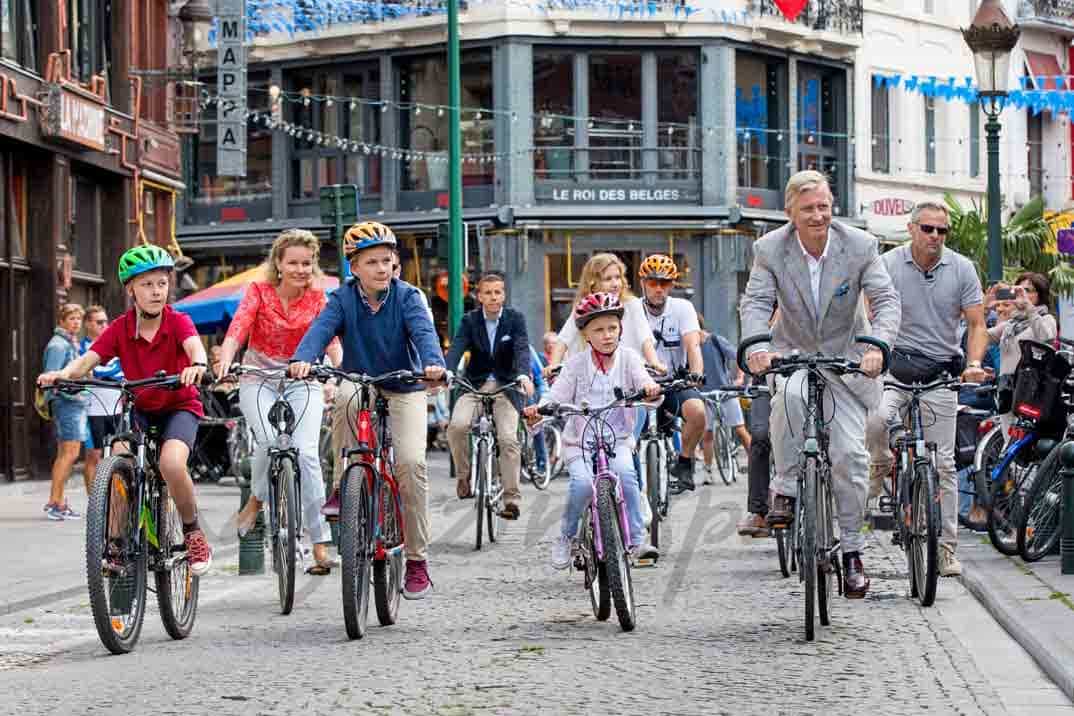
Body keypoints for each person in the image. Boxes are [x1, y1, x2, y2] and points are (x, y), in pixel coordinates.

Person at [740, 170, 900, 599]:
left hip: (847, 362)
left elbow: (885, 301)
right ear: (790, 211)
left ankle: (851, 552)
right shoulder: (770, 248)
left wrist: (877, 347)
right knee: (787, 400)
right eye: (809, 208)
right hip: (791, 354)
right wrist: (757, 345)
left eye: (824, 206)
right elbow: (756, 302)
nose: (818, 216)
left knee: (850, 456)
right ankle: (787, 489)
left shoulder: (861, 245)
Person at [290, 221, 446, 600]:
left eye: (387, 261)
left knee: (410, 464)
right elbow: (319, 331)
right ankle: (346, 483)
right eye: (371, 261)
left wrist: (433, 365)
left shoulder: (408, 297)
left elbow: (424, 333)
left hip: (405, 385)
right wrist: (302, 359)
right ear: (353, 268)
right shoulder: (342, 299)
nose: (381, 268)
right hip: (360, 380)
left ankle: (416, 559)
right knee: (343, 397)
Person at [38, 245, 213, 575]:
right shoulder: (120, 328)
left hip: (179, 407)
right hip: (141, 410)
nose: (156, 291)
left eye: (161, 283)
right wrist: (61, 374)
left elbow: (195, 347)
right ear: (131, 289)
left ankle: (193, 533)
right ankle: (117, 545)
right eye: (147, 284)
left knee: (172, 464)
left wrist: (198, 365)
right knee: (116, 462)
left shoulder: (178, 321)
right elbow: (86, 361)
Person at [864, 200, 987, 579]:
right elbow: (870, 312)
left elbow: (977, 324)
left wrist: (974, 364)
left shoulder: (962, 268)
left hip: (940, 374)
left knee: (944, 464)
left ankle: (946, 549)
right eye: (928, 229)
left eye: (942, 230)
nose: (935, 236)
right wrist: (871, 351)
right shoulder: (887, 265)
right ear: (912, 228)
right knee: (877, 420)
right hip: (895, 368)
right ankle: (882, 459)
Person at [215, 229, 343, 575]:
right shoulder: (258, 291)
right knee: (269, 442)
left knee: (306, 454)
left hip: (304, 378)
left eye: (307, 263)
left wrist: (337, 372)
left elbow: (332, 343)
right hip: (258, 377)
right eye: (293, 263)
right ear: (279, 264)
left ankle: (319, 542)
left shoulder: (319, 298)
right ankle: (256, 501)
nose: (301, 269)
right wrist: (227, 359)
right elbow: (236, 332)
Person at [524, 293, 661, 568]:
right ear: (585, 334)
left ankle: (636, 540)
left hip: (618, 438)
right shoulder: (575, 364)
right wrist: (540, 408)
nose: (607, 335)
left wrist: (650, 390)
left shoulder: (630, 358)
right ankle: (567, 536)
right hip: (580, 442)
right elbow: (556, 394)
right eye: (599, 330)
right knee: (583, 485)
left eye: (612, 328)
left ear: (621, 329)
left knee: (626, 474)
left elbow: (647, 384)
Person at [445, 272, 534, 518]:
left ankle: (511, 500)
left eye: (498, 292)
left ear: (504, 294)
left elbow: (522, 347)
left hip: (506, 387)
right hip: (475, 384)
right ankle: (464, 478)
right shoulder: (469, 321)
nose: (493, 297)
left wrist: (524, 374)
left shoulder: (515, 319)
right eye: (488, 292)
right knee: (457, 427)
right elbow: (457, 347)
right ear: (479, 296)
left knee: (508, 439)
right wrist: (448, 371)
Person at [638, 254, 706, 493]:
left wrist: (696, 373)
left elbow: (693, 345)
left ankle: (685, 462)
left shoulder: (683, 308)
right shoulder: (632, 310)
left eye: (665, 283)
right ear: (643, 283)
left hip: (674, 380)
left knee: (698, 413)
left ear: (672, 284)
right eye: (653, 282)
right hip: (640, 383)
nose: (659, 288)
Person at [545, 253, 664, 372]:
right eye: (608, 279)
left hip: (628, 374)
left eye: (618, 277)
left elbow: (645, 338)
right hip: (594, 375)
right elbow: (564, 340)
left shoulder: (632, 304)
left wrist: (654, 362)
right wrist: (553, 366)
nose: (615, 284)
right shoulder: (585, 307)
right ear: (593, 283)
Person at [41, 303, 88, 520]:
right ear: (61, 321)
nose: (76, 323)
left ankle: (59, 501)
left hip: (73, 403)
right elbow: (52, 378)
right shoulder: (59, 345)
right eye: (71, 318)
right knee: (69, 454)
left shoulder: (70, 342)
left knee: (67, 454)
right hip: (67, 404)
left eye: (78, 319)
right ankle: (54, 503)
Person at [738, 303, 779, 537]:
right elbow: (749, 348)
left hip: (803, 375)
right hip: (765, 381)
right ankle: (758, 511)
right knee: (761, 436)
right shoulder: (760, 301)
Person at [697, 314, 751, 486]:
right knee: (707, 433)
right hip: (705, 395)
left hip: (726, 391)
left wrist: (740, 378)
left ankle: (756, 465)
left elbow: (738, 356)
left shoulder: (715, 340)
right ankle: (707, 470)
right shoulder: (688, 346)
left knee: (741, 431)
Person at [80, 306, 124, 489]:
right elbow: (96, 372)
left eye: (106, 322)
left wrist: (103, 374)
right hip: (93, 408)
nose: (104, 326)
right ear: (87, 324)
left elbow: (118, 372)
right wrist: (108, 374)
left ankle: (114, 500)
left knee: (117, 455)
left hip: (116, 406)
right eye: (99, 322)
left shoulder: (114, 345)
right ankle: (94, 503)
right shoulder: (82, 346)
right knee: (94, 455)